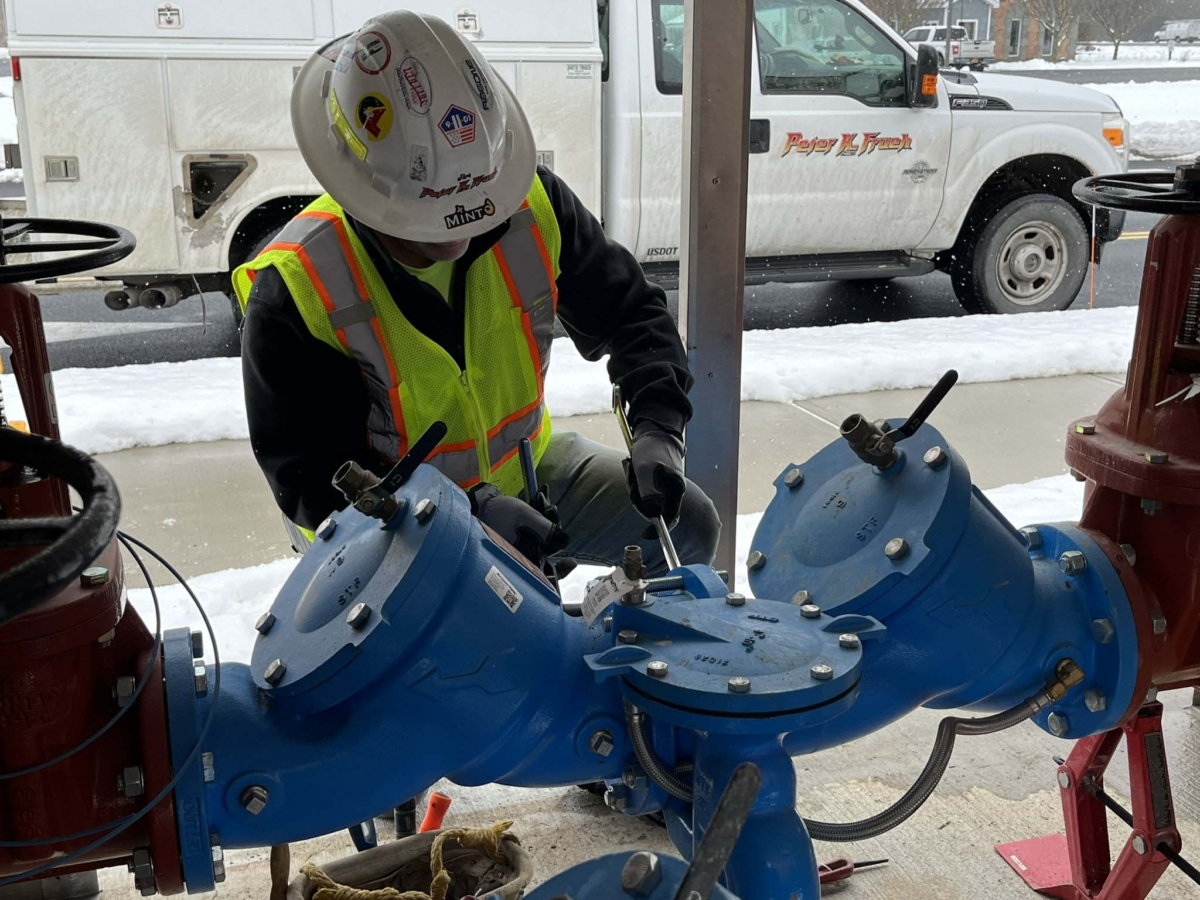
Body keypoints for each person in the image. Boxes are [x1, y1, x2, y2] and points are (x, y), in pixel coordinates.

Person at [233, 10, 719, 575]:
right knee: (474, 643)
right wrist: (467, 517)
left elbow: (635, 317)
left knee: (690, 526)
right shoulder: (297, 290)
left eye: (470, 203)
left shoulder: (534, 209)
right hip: (388, 531)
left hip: (532, 474)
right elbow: (314, 485)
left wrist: (658, 428)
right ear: (358, 190)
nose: (455, 233)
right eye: (427, 217)